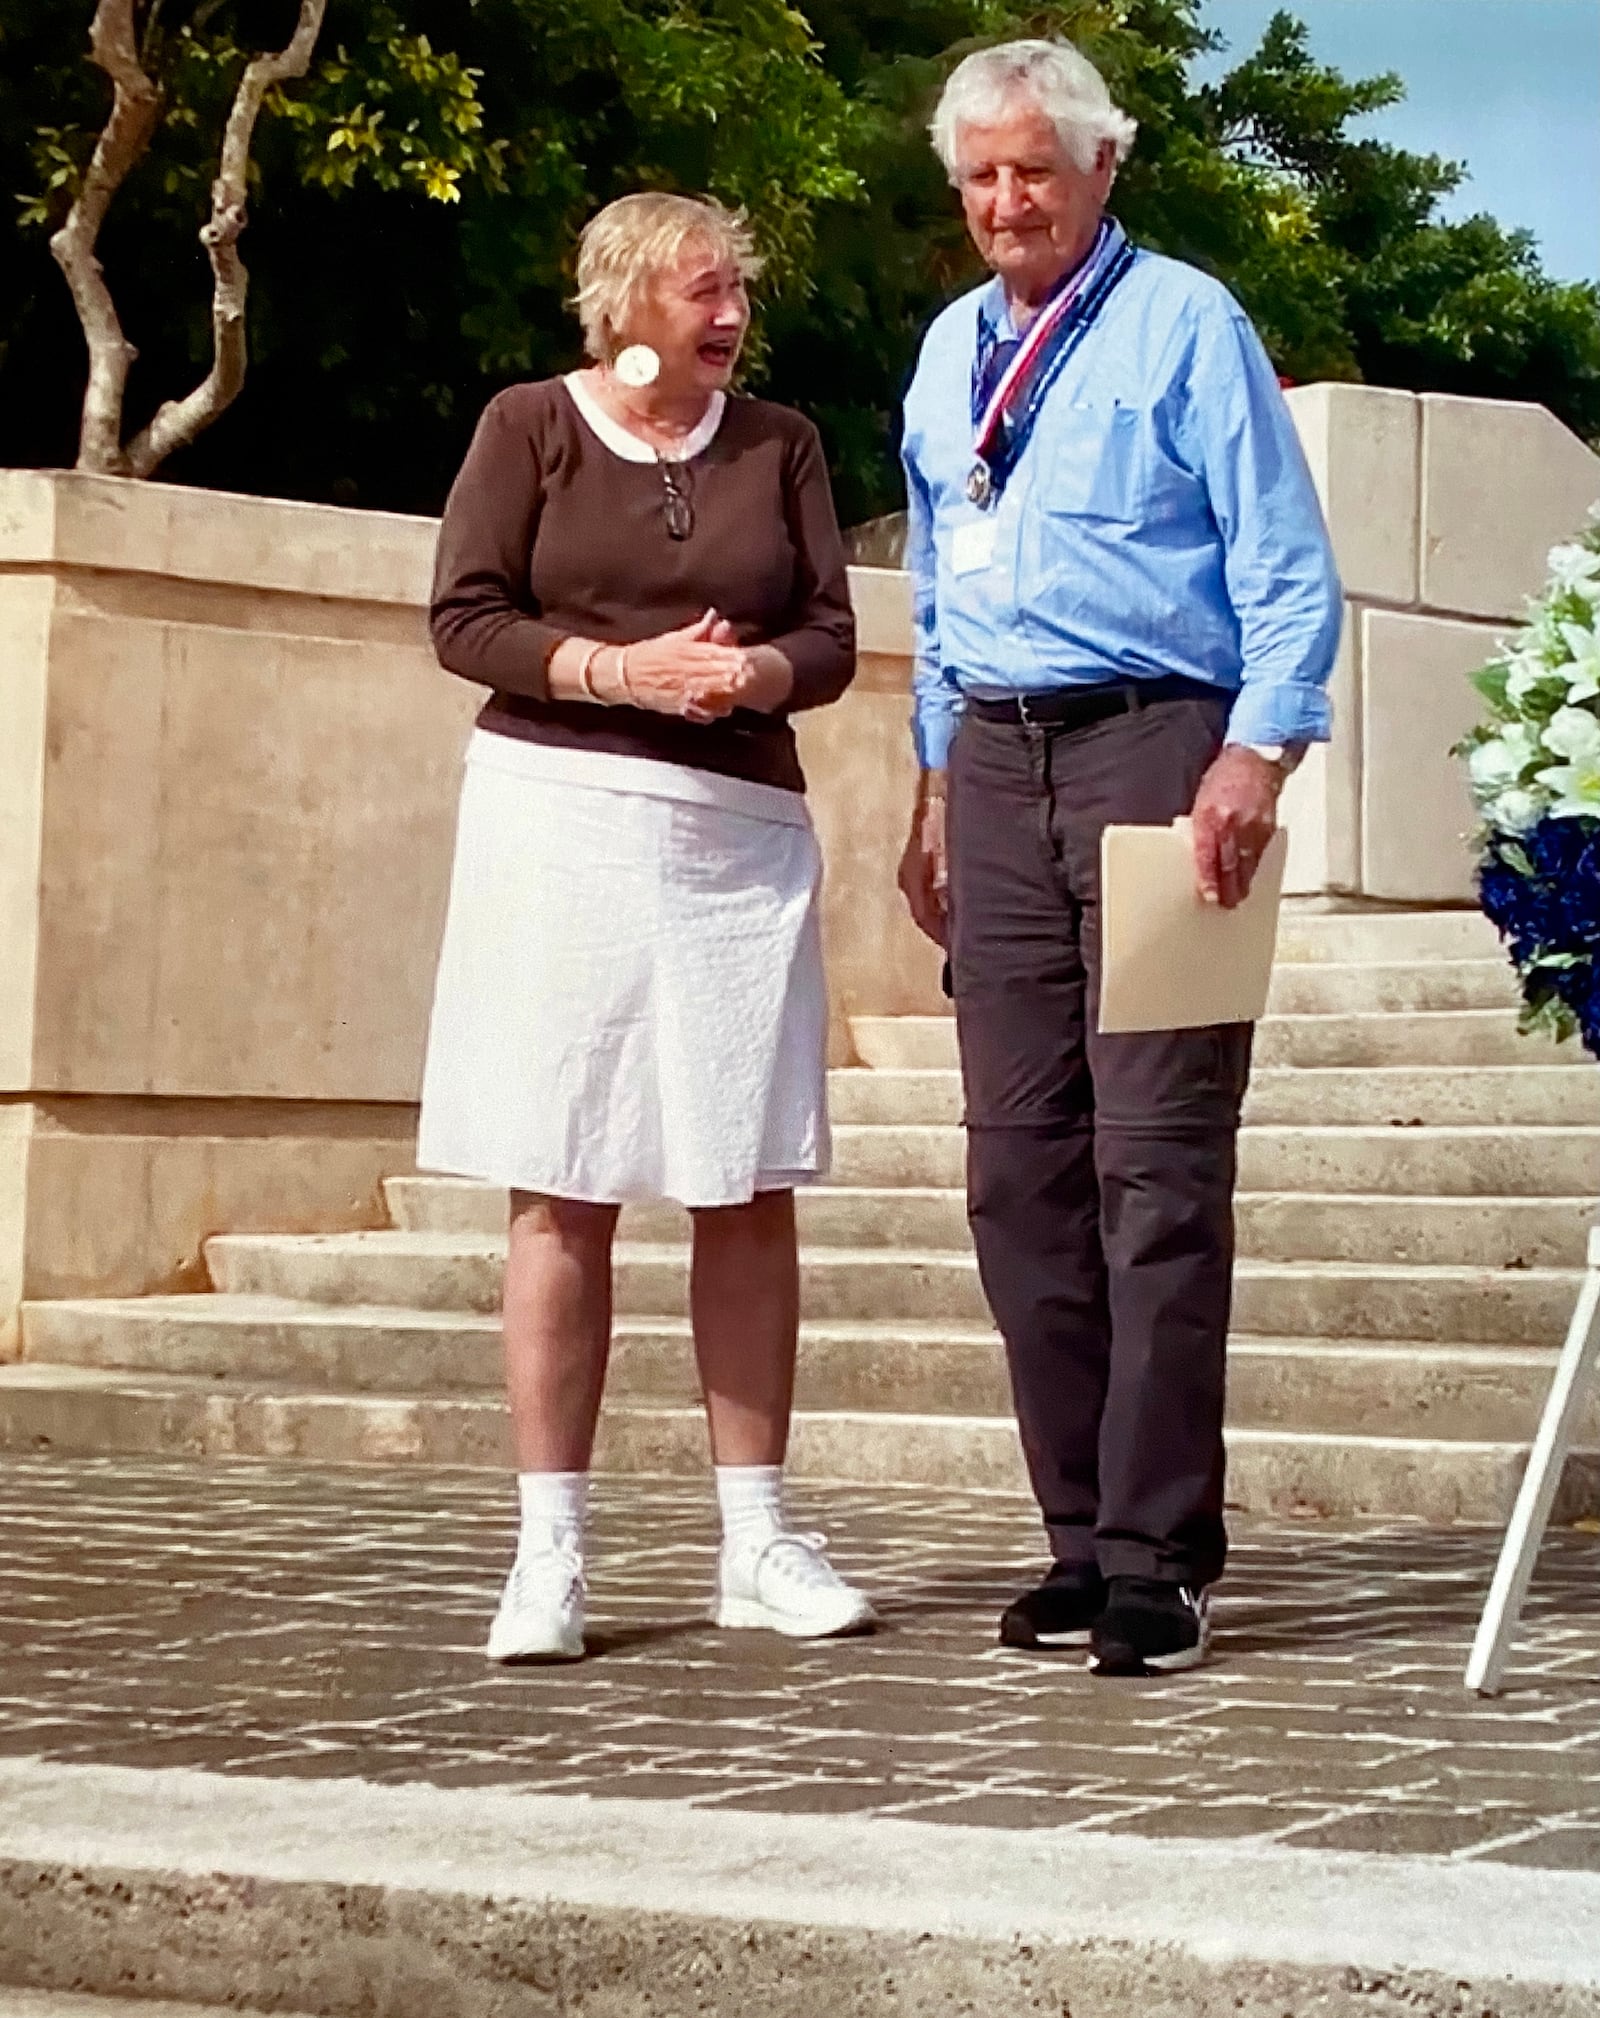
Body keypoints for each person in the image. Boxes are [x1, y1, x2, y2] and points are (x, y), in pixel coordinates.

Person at [897, 41, 1341, 1676]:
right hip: (997, 762)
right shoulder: (948, 352)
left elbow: (1288, 568)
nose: (1008, 200)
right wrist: (934, 783)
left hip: (1161, 744)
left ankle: (1162, 1549)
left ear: (1103, 168)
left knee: (1156, 1159)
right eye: (982, 175)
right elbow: (940, 591)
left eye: (1035, 168)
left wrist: (1257, 748)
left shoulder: (1187, 324)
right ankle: (1076, 1534)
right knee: (1017, 1166)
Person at [421, 191, 876, 1663]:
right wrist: (618, 675)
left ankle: (759, 1538)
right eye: (703, 288)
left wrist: (747, 685)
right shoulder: (527, 427)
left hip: (737, 842)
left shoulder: (784, 443)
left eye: (738, 287)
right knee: (563, 1180)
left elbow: (829, 636)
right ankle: (549, 1551)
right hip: (557, 821)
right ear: (623, 296)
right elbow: (464, 617)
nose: (730, 312)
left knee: (742, 1181)